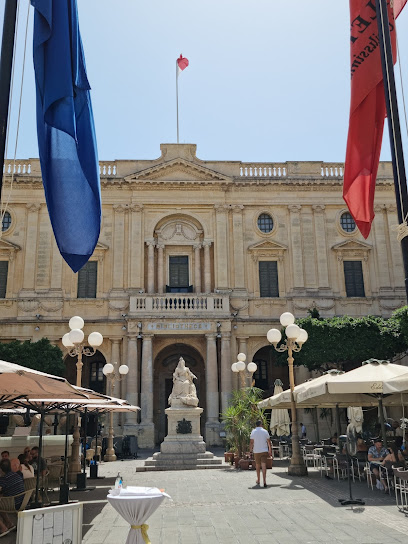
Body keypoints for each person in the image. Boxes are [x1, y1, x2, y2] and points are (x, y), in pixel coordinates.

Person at [0, 458, 24, 534]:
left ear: (1, 469)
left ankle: (3, 527)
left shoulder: (4, 479)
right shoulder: (17, 475)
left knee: (2, 503)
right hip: (22, 501)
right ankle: (9, 523)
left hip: (12, 503)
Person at [249, 420, 272, 488]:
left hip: (256, 451)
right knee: (264, 466)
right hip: (264, 450)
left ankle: (258, 479)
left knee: (258, 465)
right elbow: (269, 441)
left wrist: (250, 451)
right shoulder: (265, 431)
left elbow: (251, 442)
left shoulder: (253, 432)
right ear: (261, 424)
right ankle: (264, 481)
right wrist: (270, 450)